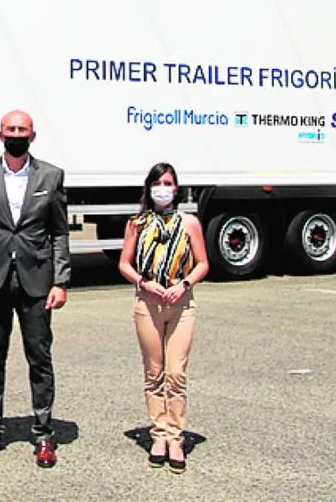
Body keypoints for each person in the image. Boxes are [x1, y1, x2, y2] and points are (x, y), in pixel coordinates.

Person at [0, 110, 70, 468]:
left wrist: (60, 280)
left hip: (36, 280)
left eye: (22, 130)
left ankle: (43, 433)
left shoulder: (51, 176)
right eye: (11, 129)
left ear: (32, 136)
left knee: (39, 357)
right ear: (0, 134)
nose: (16, 134)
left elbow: (59, 233)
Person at [118, 162, 209, 474]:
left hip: (181, 304)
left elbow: (202, 263)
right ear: (149, 187)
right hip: (148, 303)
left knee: (176, 373)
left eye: (168, 182)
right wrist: (145, 283)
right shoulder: (137, 224)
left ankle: (176, 437)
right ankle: (158, 435)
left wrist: (184, 284)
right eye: (158, 182)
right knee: (154, 373)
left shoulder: (190, 223)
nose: (163, 188)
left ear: (176, 188)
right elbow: (124, 263)